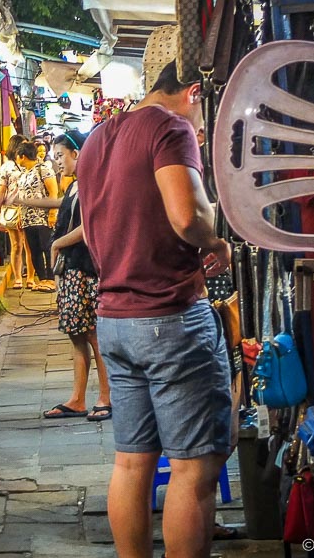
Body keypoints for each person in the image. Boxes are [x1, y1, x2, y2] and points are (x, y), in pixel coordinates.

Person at [77, 61, 232, 558]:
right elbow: (187, 215)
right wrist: (217, 242)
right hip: (169, 317)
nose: (206, 125)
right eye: (208, 106)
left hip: (115, 321)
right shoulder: (171, 127)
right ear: (191, 91)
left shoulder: (98, 137)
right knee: (194, 468)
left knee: (131, 463)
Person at [19, 130, 112, 421]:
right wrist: (25, 202)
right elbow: (61, 205)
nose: (56, 161)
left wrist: (57, 243)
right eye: (54, 156)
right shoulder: (74, 186)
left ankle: (106, 397)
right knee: (76, 336)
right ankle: (78, 398)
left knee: (94, 336)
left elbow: (88, 226)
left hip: (86, 270)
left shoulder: (92, 184)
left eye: (60, 155)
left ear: (77, 153)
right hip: (71, 271)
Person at [15, 141, 58, 292]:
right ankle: (42, 279)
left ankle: (51, 279)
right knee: (34, 250)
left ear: (23, 156)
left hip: (43, 217)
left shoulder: (44, 169)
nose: (17, 159)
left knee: (47, 247)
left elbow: (53, 192)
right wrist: (21, 216)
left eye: (18, 156)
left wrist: (52, 213)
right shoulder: (24, 173)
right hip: (28, 219)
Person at [0, 134, 35, 289]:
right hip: (12, 209)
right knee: (16, 245)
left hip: (28, 208)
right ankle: (18, 278)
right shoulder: (7, 167)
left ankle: (31, 277)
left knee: (29, 245)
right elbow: (1, 190)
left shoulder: (31, 163)